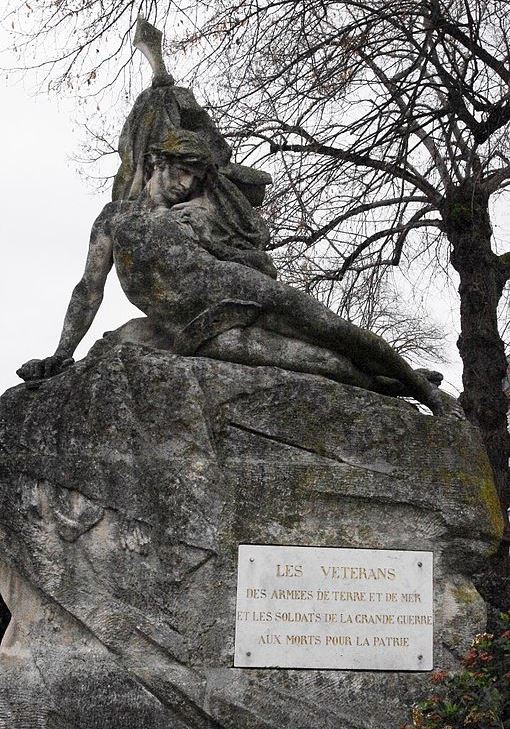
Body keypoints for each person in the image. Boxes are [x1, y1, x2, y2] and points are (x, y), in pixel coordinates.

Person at [18, 130, 444, 415]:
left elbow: (257, 260)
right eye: (182, 170)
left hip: (239, 289)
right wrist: (62, 353)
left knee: (331, 327)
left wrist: (214, 239)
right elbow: (88, 289)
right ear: (154, 163)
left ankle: (421, 386)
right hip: (198, 330)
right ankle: (396, 385)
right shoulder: (115, 218)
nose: (186, 183)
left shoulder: (196, 215)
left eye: (195, 175)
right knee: (319, 362)